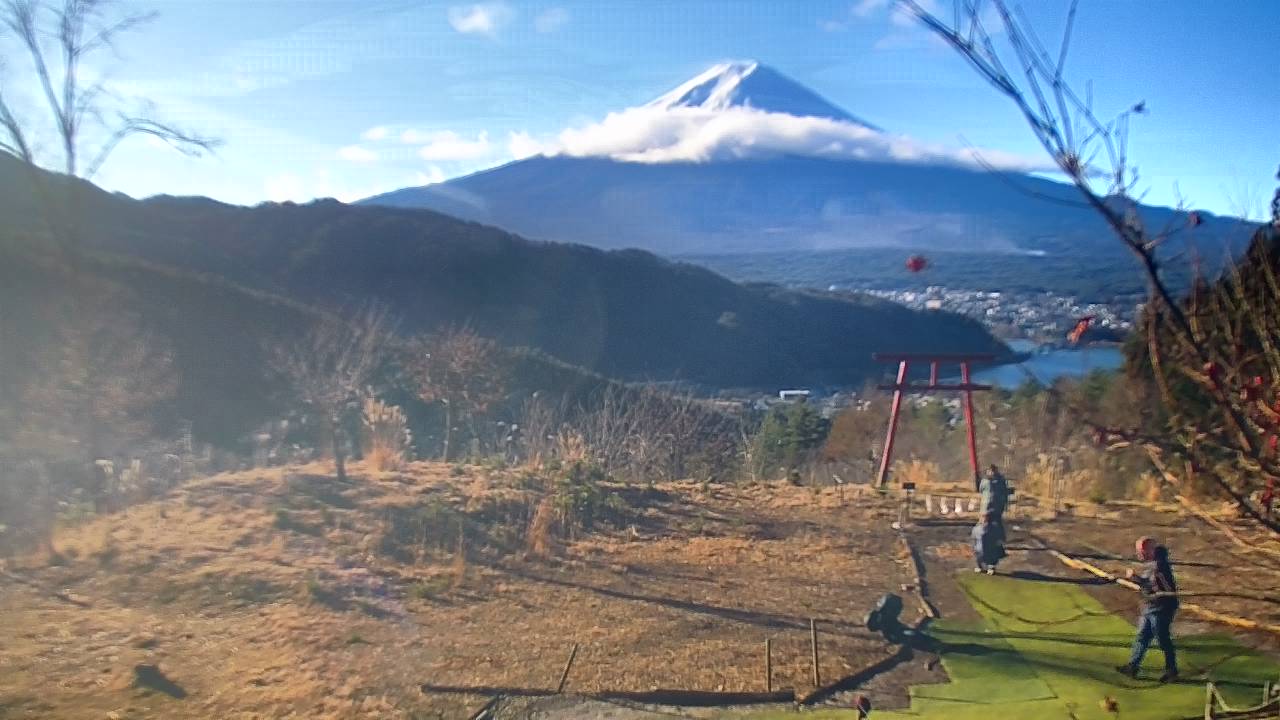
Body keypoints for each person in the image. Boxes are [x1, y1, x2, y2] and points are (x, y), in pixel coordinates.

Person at [1116, 536, 1179, 682]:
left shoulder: (1160, 566)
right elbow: (1149, 584)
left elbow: (1163, 589)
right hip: (1150, 606)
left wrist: (1136, 579)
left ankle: (1172, 670)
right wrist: (1136, 580)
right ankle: (1133, 666)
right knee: (1142, 637)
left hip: (1162, 608)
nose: (1139, 554)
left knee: (1162, 639)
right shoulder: (1152, 564)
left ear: (1149, 550)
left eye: (1141, 551)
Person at [971, 510, 1006, 575]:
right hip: (980, 546)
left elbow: (998, 537)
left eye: (986, 517)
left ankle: (991, 567)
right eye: (982, 517)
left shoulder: (994, 527)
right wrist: (973, 547)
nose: (984, 519)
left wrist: (998, 542)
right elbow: (974, 538)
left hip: (990, 547)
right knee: (979, 556)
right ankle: (979, 566)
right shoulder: (977, 528)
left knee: (992, 557)